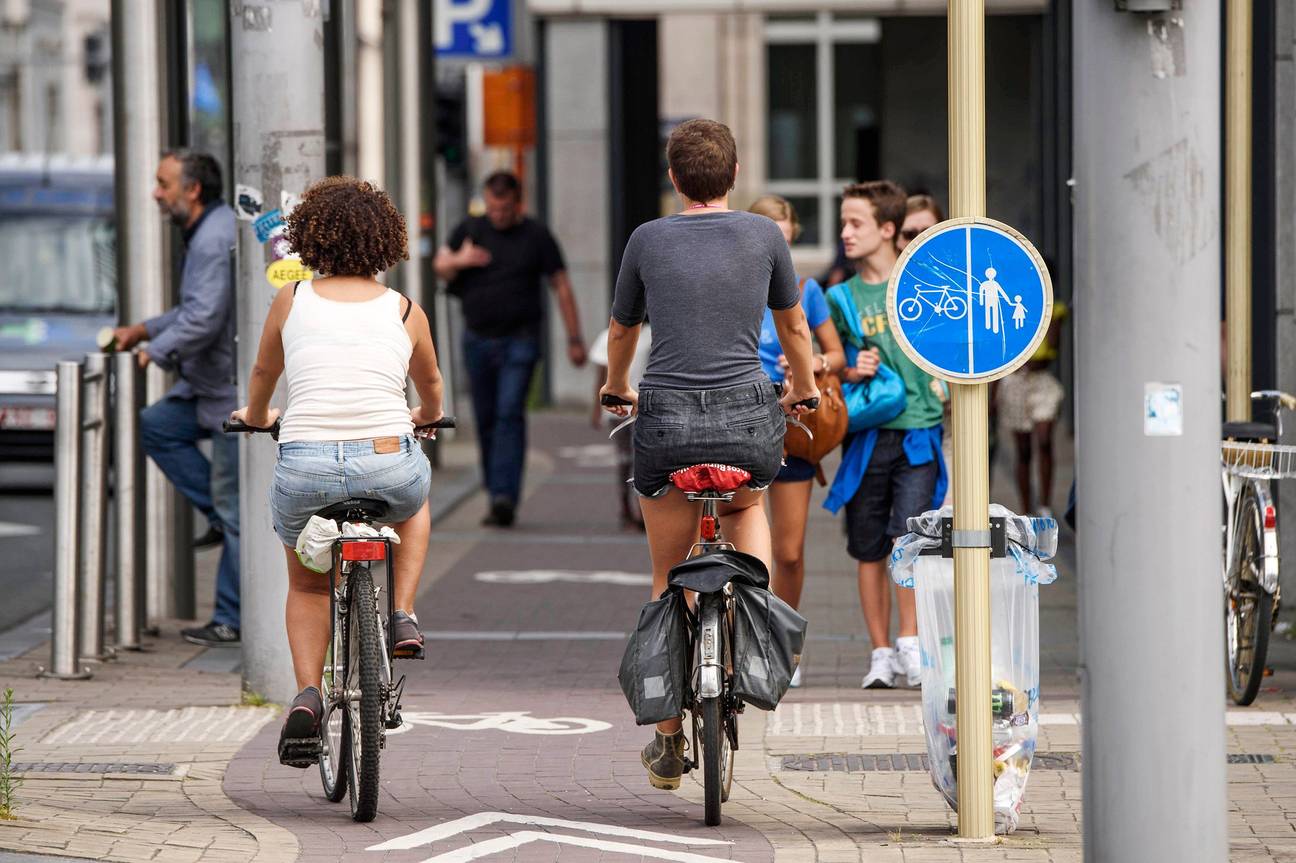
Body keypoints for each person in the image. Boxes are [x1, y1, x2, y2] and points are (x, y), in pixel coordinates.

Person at [600, 119, 818, 791]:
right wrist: (804, 389)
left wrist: (616, 385)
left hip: (664, 417)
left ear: (674, 178)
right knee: (748, 508)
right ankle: (748, 625)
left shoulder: (646, 238)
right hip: (748, 416)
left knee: (667, 577)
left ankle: (668, 737)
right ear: (734, 174)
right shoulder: (763, 236)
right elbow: (793, 326)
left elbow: (622, 328)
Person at [229, 176, 445, 765]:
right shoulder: (405, 309)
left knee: (305, 582)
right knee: (418, 498)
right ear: (385, 240)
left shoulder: (291, 299)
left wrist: (255, 418)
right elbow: (431, 389)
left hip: (306, 468)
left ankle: (306, 694)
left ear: (310, 239)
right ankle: (401, 611)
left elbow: (262, 376)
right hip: (386, 461)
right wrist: (425, 417)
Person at [112, 151, 239, 647]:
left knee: (236, 507)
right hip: (208, 386)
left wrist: (154, 352)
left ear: (193, 189)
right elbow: (194, 308)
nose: (156, 193)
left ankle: (230, 618)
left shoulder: (211, 237)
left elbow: (205, 318)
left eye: (163, 183)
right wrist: (145, 329)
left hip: (227, 394)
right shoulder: (210, 229)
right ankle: (216, 515)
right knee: (157, 425)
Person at [824, 181, 946, 690]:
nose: (845, 233)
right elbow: (827, 368)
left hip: (918, 431)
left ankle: (910, 643)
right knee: (868, 546)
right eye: (844, 223)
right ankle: (879, 652)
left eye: (857, 223)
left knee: (909, 538)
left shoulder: (923, 281)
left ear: (888, 230)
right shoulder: (839, 297)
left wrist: (946, 379)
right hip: (867, 438)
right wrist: (853, 368)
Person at [434, 171, 587, 528]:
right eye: (492, 207)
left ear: (517, 203)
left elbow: (560, 285)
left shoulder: (536, 235)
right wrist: (461, 260)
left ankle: (505, 496)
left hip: (521, 339)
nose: (497, 214)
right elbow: (440, 265)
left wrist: (574, 339)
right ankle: (494, 489)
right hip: (477, 338)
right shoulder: (469, 229)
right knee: (486, 418)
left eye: (504, 208)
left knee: (508, 413)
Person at [748, 195, 845, 688]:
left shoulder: (807, 291)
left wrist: (810, 368)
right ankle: (741, 643)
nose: (775, 243)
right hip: (743, 421)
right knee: (744, 547)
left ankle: (783, 644)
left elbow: (837, 354)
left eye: (782, 234)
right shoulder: (737, 284)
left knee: (788, 551)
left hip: (793, 428)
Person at [995, 267, 1068, 516]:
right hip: (1016, 380)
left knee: (1044, 440)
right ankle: (1027, 509)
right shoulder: (1014, 306)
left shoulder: (1054, 310)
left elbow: (1052, 345)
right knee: (1023, 449)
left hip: (1042, 380)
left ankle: (1045, 505)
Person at [589, 322, 652, 531]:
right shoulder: (609, 335)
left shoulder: (651, 335)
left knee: (641, 459)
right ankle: (626, 507)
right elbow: (603, 372)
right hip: (619, 406)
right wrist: (597, 408)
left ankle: (642, 509)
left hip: (644, 405)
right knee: (625, 459)